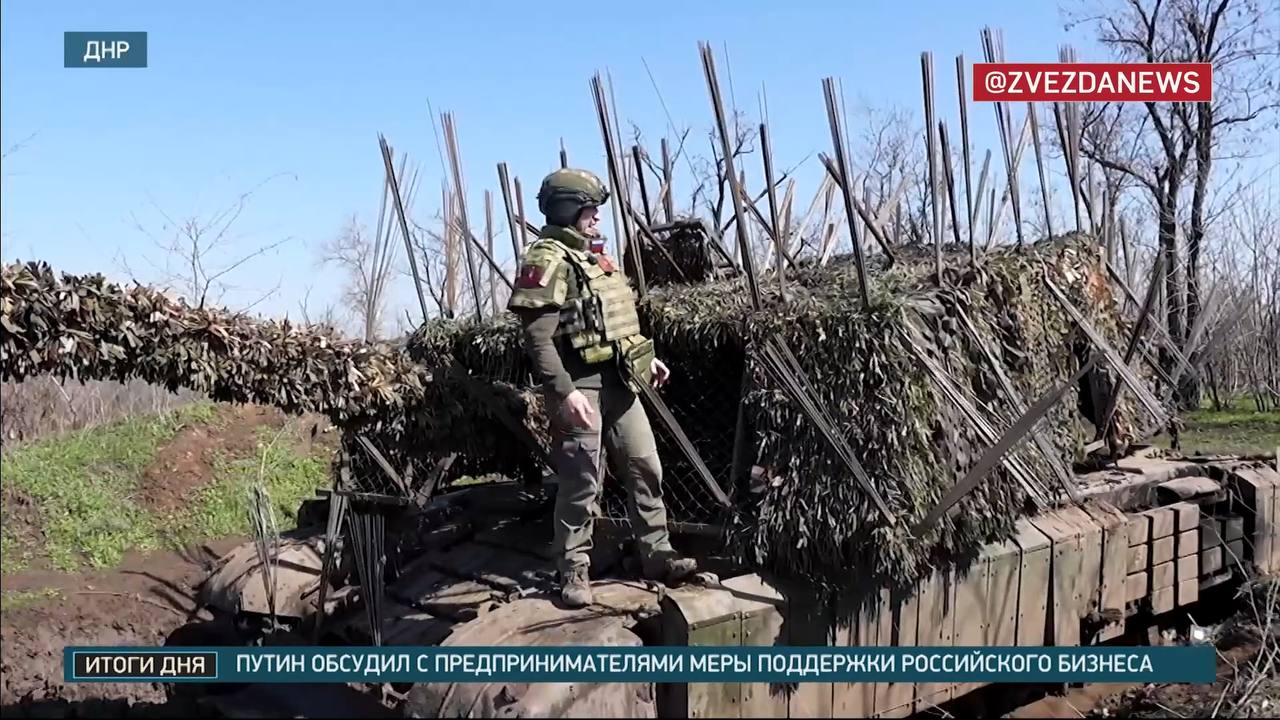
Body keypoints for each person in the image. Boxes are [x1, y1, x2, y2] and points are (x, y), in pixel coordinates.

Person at [507, 167, 698, 607]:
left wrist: (648, 360)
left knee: (645, 466)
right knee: (581, 482)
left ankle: (658, 555)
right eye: (591, 210)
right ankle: (573, 569)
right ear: (568, 209)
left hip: (620, 382)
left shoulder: (593, 257)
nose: (597, 219)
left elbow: (611, 322)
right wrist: (564, 392)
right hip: (581, 386)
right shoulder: (547, 258)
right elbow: (537, 338)